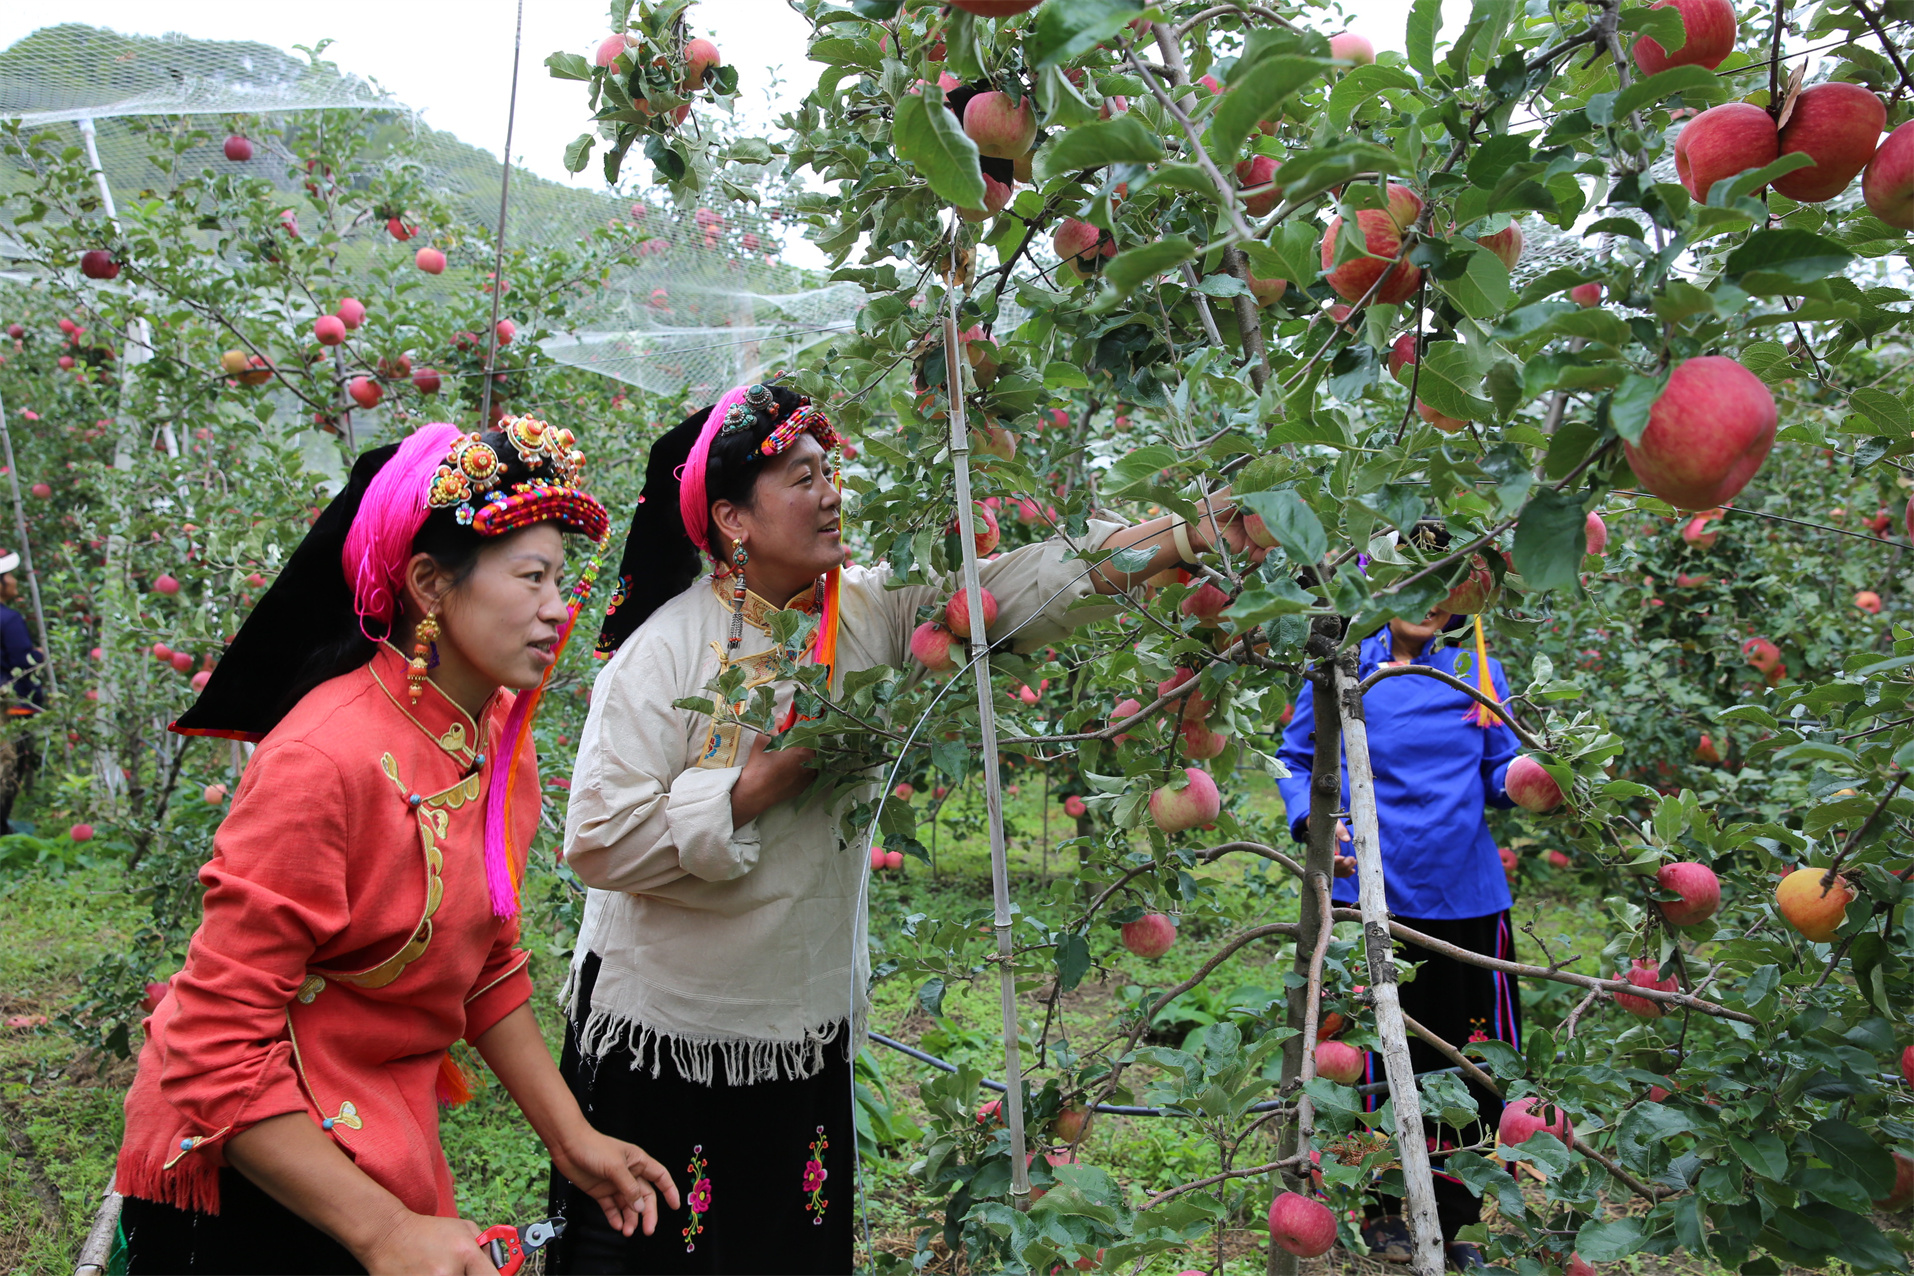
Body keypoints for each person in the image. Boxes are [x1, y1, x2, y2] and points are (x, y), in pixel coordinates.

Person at [547, 381, 1264, 1274]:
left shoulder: (871, 613)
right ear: (732, 519)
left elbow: (1019, 587)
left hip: (802, 1021)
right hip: (667, 1034)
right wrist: (756, 786)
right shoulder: (664, 651)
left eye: (829, 471)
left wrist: (1184, 536)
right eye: (802, 478)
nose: (831, 494)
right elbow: (598, 841)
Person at [113, 418, 679, 1276]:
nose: (557, 609)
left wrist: (575, 1140)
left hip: (376, 1139)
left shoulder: (494, 732)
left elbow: (485, 962)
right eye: (531, 577)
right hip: (254, 1168)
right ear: (428, 584)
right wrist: (383, 1231)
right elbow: (212, 1046)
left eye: (560, 580)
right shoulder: (321, 760)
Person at [1276, 583, 1521, 1270]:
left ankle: (1456, 1215)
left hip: (1467, 894)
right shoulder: (1344, 664)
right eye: (1412, 583)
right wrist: (1314, 820)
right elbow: (1298, 759)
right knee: (1375, 1055)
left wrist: (1533, 776)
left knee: (1472, 1062)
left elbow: (1498, 771)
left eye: (1443, 588)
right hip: (1375, 891)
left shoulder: (1476, 667)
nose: (1428, 601)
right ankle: (1383, 1207)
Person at [0, 548, 45, 832]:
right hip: (9, 706)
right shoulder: (9, 619)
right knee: (8, 767)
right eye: (9, 575)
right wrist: (38, 656)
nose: (14, 580)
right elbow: (22, 663)